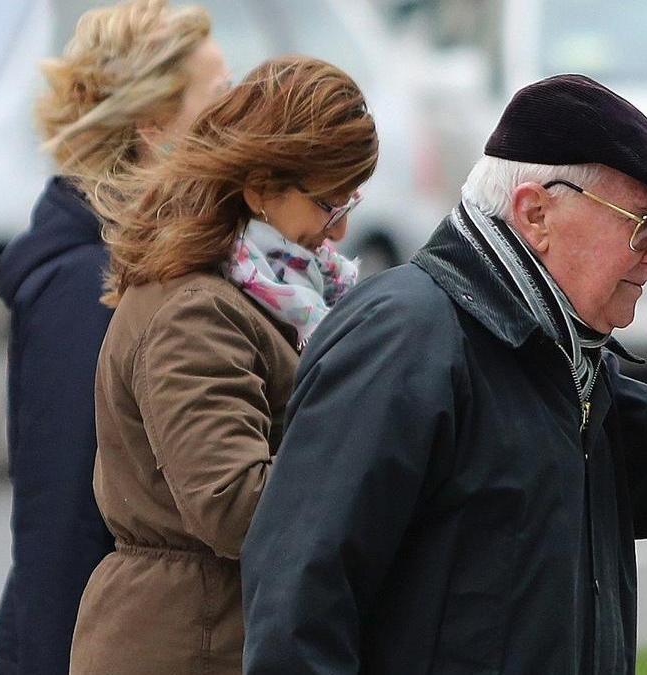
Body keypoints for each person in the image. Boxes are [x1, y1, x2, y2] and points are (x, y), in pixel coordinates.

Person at [241, 74, 647, 674]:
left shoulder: (559, 356)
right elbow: (300, 607)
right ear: (536, 213)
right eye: (644, 226)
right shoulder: (406, 337)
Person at [68, 55, 378, 675]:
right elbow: (235, 506)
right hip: (192, 641)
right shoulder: (196, 312)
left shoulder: (263, 294)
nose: (338, 233)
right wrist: (382, 464)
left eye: (350, 202)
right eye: (328, 205)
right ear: (260, 188)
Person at [0, 2, 230, 673]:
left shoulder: (146, 258)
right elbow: (60, 517)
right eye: (218, 100)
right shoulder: (87, 283)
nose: (238, 117)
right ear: (155, 127)